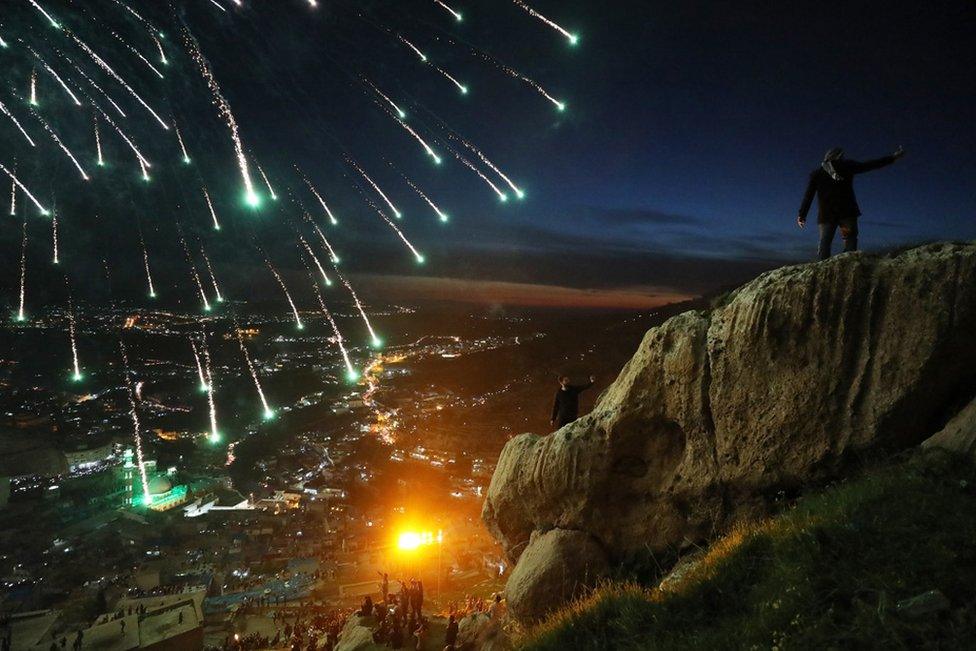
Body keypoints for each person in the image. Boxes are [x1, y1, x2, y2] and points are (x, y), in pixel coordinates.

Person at [797, 146, 905, 260]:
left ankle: (822, 269)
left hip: (827, 215)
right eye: (842, 156)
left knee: (825, 243)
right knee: (850, 239)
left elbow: (808, 196)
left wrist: (802, 215)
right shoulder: (847, 166)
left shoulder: (817, 174)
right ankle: (847, 265)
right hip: (847, 212)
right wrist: (893, 158)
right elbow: (870, 165)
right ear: (839, 156)